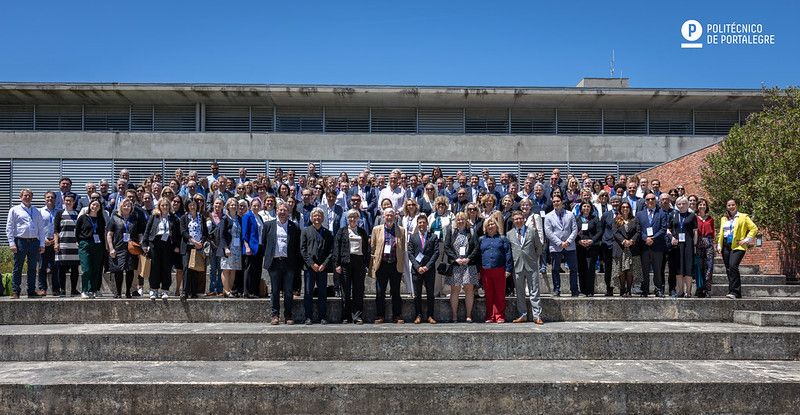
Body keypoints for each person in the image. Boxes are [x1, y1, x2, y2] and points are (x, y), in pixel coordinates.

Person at [263, 201, 302, 325]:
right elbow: (264, 243)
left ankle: (288, 315)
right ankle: (275, 315)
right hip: (274, 262)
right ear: (276, 211)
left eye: (285, 210)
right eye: (280, 210)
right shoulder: (268, 225)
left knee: (288, 291)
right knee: (274, 291)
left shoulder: (294, 227)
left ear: (288, 212)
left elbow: (297, 246)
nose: (282, 212)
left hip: (289, 263)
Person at [5, 189, 48, 298]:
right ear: (21, 197)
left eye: (29, 196)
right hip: (20, 241)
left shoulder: (36, 211)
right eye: (25, 195)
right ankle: (16, 291)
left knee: (32, 268)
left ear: (32, 197)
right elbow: (9, 227)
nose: (27, 197)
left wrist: (42, 244)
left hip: (34, 242)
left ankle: (31, 291)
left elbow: (41, 228)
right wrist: (11, 243)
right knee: (18, 267)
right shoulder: (14, 210)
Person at [369, 208, 406, 324]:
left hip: (395, 264)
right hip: (382, 264)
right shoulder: (376, 229)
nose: (389, 217)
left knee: (396, 292)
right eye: (387, 215)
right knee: (380, 292)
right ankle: (380, 315)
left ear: (395, 217)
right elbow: (373, 246)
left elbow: (402, 248)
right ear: (383, 217)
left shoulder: (401, 230)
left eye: (391, 215)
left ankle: (397, 315)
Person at [507, 210, 544, 324]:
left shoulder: (532, 231)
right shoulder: (509, 234)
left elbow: (539, 247)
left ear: (524, 219)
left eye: (520, 218)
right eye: (516, 219)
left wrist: (533, 258)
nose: (518, 221)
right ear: (513, 221)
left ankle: (537, 316)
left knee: (534, 291)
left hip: (531, 265)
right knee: (520, 292)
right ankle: (522, 314)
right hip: (517, 266)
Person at [334, 209, 371, 324]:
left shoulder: (362, 232)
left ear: (358, 219)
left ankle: (357, 316)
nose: (352, 219)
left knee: (358, 290)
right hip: (346, 262)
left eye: (354, 217)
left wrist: (366, 263)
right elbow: (337, 248)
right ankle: (346, 316)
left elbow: (367, 249)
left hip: (359, 262)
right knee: (345, 290)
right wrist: (337, 264)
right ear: (347, 219)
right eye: (350, 217)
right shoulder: (341, 231)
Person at [716, 199, 758, 299]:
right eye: (729, 205)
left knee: (733, 266)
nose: (731, 207)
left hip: (738, 245)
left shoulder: (743, 217)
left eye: (733, 205)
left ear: (736, 205)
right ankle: (732, 291)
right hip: (725, 245)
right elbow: (721, 233)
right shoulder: (724, 219)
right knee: (728, 268)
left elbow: (754, 228)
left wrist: (746, 239)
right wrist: (719, 244)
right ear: (726, 207)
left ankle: (736, 292)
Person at [300, 208, 335, 325]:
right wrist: (311, 263)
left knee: (322, 293)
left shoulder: (328, 233)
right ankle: (308, 317)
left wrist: (324, 264)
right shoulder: (305, 231)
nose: (317, 218)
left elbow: (331, 251)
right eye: (315, 216)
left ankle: (323, 316)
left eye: (319, 215)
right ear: (311, 218)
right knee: (308, 293)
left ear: (323, 218)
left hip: (322, 268)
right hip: (309, 267)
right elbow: (303, 250)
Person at [443, 212, 479, 322]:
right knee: (455, 290)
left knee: (469, 289)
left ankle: (469, 315)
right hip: (456, 264)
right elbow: (447, 247)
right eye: (458, 219)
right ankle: (454, 315)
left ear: (466, 220)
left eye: (462, 219)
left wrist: (469, 258)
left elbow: (476, 247)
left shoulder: (471, 231)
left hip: (469, 264)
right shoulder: (451, 231)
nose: (460, 221)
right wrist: (455, 259)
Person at [143, 198, 180, 300]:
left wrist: (177, 246)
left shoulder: (173, 218)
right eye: (162, 205)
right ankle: (153, 289)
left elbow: (177, 233)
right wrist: (144, 244)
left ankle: (165, 289)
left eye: (166, 205)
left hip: (168, 244)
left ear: (169, 206)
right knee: (154, 267)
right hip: (155, 244)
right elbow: (147, 230)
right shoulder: (154, 216)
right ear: (159, 206)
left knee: (166, 267)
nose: (165, 207)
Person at [478, 216, 513, 323]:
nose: (490, 226)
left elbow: (508, 254)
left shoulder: (503, 239)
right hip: (485, 270)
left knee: (499, 294)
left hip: (499, 269)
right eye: (488, 225)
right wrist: (478, 270)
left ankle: (499, 315)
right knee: (489, 295)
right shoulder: (481, 239)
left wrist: (508, 269)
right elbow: (479, 255)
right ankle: (490, 316)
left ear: (496, 226)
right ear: (485, 227)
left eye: (492, 224)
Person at [407, 214, 440, 324]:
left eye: (423, 222)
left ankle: (430, 315)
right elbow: (410, 253)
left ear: (427, 224)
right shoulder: (413, 237)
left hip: (429, 270)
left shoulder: (433, 237)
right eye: (420, 222)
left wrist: (427, 266)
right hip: (416, 270)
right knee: (417, 295)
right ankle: (418, 315)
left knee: (430, 294)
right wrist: (417, 267)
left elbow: (436, 253)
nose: (422, 224)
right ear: (417, 224)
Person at [544, 194, 579, 296]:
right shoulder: (548, 216)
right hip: (556, 247)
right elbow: (548, 232)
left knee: (573, 269)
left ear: (562, 202)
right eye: (554, 202)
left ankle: (574, 289)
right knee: (555, 269)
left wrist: (568, 241)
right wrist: (559, 243)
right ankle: (557, 289)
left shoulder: (570, 214)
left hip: (570, 246)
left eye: (558, 201)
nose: (556, 203)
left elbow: (574, 229)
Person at [636, 192, 669, 297]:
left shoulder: (662, 213)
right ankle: (644, 290)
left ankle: (658, 289)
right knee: (644, 270)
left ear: (656, 200)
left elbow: (663, 229)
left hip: (657, 246)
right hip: (644, 246)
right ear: (645, 202)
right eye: (648, 199)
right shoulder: (639, 214)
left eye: (652, 199)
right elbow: (638, 230)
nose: (650, 201)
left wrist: (653, 238)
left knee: (657, 270)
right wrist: (645, 238)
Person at [106, 198, 139, 298]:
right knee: (118, 270)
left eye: (129, 205)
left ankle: (128, 292)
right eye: (125, 205)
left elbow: (139, 233)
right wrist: (111, 248)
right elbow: (109, 234)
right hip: (118, 247)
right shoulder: (114, 218)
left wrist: (140, 246)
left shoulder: (134, 218)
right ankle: (118, 292)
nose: (126, 207)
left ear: (131, 207)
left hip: (131, 248)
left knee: (130, 270)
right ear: (121, 206)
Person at [75, 199, 106, 298]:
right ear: (89, 206)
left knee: (96, 269)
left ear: (100, 208)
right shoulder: (83, 217)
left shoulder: (101, 219)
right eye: (93, 205)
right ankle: (84, 290)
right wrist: (80, 242)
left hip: (98, 245)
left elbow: (102, 233)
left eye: (97, 205)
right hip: (85, 244)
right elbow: (77, 231)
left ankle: (93, 290)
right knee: (86, 269)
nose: (95, 207)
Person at [179, 198, 209, 300]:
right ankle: (185, 291)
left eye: (194, 205)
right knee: (186, 268)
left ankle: (194, 291)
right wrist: (193, 241)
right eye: (190, 205)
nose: (192, 207)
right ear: (187, 206)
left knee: (195, 269)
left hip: (198, 247)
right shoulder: (184, 218)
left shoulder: (201, 217)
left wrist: (201, 242)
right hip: (187, 246)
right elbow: (183, 231)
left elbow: (205, 233)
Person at [669, 196, 697, 298]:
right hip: (677, 245)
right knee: (678, 269)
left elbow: (695, 231)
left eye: (684, 203)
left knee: (688, 268)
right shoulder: (673, 215)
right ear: (676, 205)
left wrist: (694, 245)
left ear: (688, 204)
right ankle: (680, 291)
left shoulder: (692, 216)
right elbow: (668, 229)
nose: (681, 205)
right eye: (679, 204)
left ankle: (688, 291)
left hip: (688, 245)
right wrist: (672, 237)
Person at [53, 193, 81, 296]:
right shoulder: (59, 213)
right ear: (64, 201)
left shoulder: (78, 213)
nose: (68, 202)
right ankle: (63, 290)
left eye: (70, 201)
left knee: (75, 268)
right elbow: (56, 230)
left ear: (74, 202)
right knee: (61, 268)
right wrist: (56, 243)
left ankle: (73, 290)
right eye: (66, 200)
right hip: (63, 245)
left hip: (75, 245)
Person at [612, 201, 641, 296]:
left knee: (630, 271)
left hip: (632, 248)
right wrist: (624, 241)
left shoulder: (634, 219)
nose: (625, 209)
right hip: (620, 248)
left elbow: (638, 232)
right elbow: (615, 232)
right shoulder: (616, 219)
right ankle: (622, 289)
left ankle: (629, 289)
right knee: (621, 270)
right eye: (623, 207)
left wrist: (631, 241)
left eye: (627, 207)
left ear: (630, 209)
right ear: (620, 209)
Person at [575, 201, 602, 296]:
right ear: (581, 208)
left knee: (590, 268)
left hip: (592, 247)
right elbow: (573, 231)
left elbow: (599, 232)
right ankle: (583, 290)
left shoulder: (595, 219)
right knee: (581, 268)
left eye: (588, 206)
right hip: (580, 247)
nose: (586, 208)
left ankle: (590, 290)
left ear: (591, 208)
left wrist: (592, 240)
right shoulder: (577, 219)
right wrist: (579, 241)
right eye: (584, 206)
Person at [218, 198, 242, 298]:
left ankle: (230, 290)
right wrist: (225, 248)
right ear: (228, 206)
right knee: (226, 269)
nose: (234, 206)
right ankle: (226, 290)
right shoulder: (225, 218)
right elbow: (221, 235)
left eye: (235, 205)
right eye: (232, 205)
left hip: (237, 248)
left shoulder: (239, 218)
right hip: (228, 247)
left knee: (233, 269)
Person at [241, 198, 265, 298]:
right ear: (251, 206)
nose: (256, 207)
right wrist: (247, 246)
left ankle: (255, 291)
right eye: (254, 205)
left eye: (258, 206)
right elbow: (244, 233)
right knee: (249, 269)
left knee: (257, 269)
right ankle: (247, 291)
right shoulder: (247, 216)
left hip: (259, 246)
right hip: (250, 247)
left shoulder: (259, 217)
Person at [37, 191, 58, 296]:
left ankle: (56, 289)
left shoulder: (59, 211)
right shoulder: (39, 211)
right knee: (42, 267)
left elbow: (60, 227)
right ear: (44, 199)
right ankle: (42, 289)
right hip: (43, 242)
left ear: (55, 199)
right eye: (48, 197)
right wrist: (43, 239)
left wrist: (55, 240)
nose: (50, 199)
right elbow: (37, 227)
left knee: (55, 266)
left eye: (52, 197)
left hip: (55, 242)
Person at [600, 196, 621, 296]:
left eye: (617, 202)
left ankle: (622, 288)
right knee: (608, 268)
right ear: (610, 203)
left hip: (620, 245)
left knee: (621, 268)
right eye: (613, 202)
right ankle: (609, 289)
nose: (615, 203)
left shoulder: (624, 214)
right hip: (607, 245)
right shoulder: (606, 215)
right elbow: (601, 229)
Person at [695, 198, 715, 297]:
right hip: (698, 242)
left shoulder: (710, 219)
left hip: (708, 242)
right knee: (699, 266)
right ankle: (699, 288)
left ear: (706, 206)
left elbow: (713, 232)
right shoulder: (694, 218)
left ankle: (707, 289)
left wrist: (714, 243)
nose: (702, 206)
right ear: (697, 206)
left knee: (709, 266)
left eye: (704, 204)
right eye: (700, 204)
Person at [206, 198, 225, 296]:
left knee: (220, 268)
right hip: (211, 245)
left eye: (220, 204)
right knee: (212, 268)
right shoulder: (208, 216)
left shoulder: (224, 217)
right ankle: (212, 289)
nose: (218, 205)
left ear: (223, 206)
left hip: (221, 246)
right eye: (216, 203)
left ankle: (220, 289)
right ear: (213, 205)